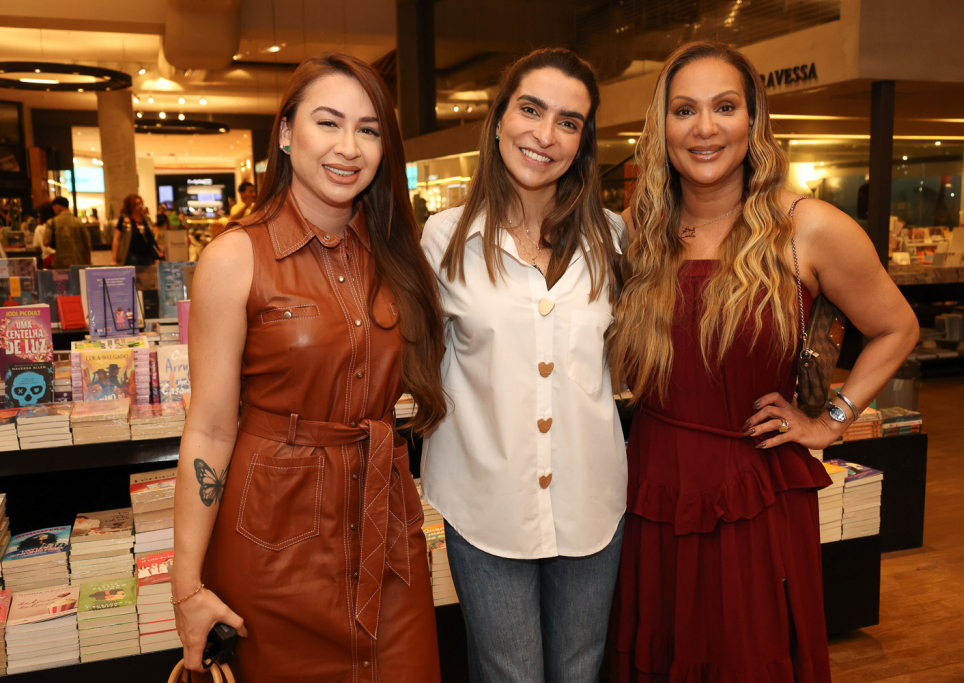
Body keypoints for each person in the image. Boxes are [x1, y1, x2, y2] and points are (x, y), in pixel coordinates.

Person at [605, 41, 920, 682]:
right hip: (653, 480)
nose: (705, 128)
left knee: (749, 654)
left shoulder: (809, 226)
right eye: (685, 110)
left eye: (725, 107)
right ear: (661, 127)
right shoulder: (637, 234)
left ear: (755, 122)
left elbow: (896, 327)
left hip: (752, 486)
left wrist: (831, 420)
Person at [172, 53, 447, 682]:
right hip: (273, 551)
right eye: (329, 123)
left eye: (369, 129)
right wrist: (187, 588)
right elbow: (211, 427)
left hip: (389, 544)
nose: (349, 147)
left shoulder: (399, 254)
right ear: (288, 133)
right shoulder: (234, 257)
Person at [420, 48, 625, 683]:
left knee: (580, 668)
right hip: (483, 500)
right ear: (499, 119)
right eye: (530, 110)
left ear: (584, 141)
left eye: (568, 121)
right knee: (509, 674)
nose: (544, 135)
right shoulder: (443, 238)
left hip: (592, 498)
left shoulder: (614, 239)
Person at [111, 194, 162, 265]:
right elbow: (117, 239)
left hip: (148, 256)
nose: (140, 206)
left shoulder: (147, 219)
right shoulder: (125, 220)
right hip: (132, 257)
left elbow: (151, 238)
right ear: (131, 206)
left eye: (141, 203)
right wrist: (114, 259)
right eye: (137, 204)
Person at [45, 197, 91, 269]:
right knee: (78, 280)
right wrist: (89, 262)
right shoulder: (79, 222)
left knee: (61, 280)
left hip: (60, 264)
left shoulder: (52, 222)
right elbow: (87, 244)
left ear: (57, 207)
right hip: (79, 263)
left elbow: (46, 242)